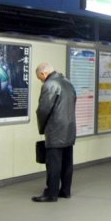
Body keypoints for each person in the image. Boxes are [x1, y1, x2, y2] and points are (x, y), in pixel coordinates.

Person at [33, 62, 77, 202]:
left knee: (53, 164)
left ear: (43, 74)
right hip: (69, 128)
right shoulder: (67, 82)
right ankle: (65, 191)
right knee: (67, 162)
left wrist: (41, 128)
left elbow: (43, 110)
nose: (41, 80)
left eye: (40, 78)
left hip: (55, 130)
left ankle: (51, 193)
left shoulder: (50, 85)